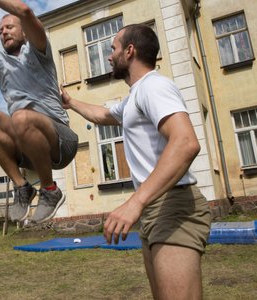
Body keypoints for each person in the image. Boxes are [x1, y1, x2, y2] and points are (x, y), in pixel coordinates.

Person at [61, 24, 211, 299]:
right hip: (156, 210)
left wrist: (135, 202)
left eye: (113, 48)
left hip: (173, 207)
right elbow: (103, 115)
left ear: (130, 51)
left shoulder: (154, 86)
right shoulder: (136, 96)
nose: (109, 56)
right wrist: (70, 102)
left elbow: (186, 142)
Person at [0, 0, 78, 223]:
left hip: (61, 143)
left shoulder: (39, 51)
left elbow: (25, 11)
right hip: (28, 147)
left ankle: (50, 189)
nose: (4, 32)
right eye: (0, 31)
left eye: (9, 27)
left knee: (21, 117)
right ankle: (23, 188)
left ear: (25, 33)